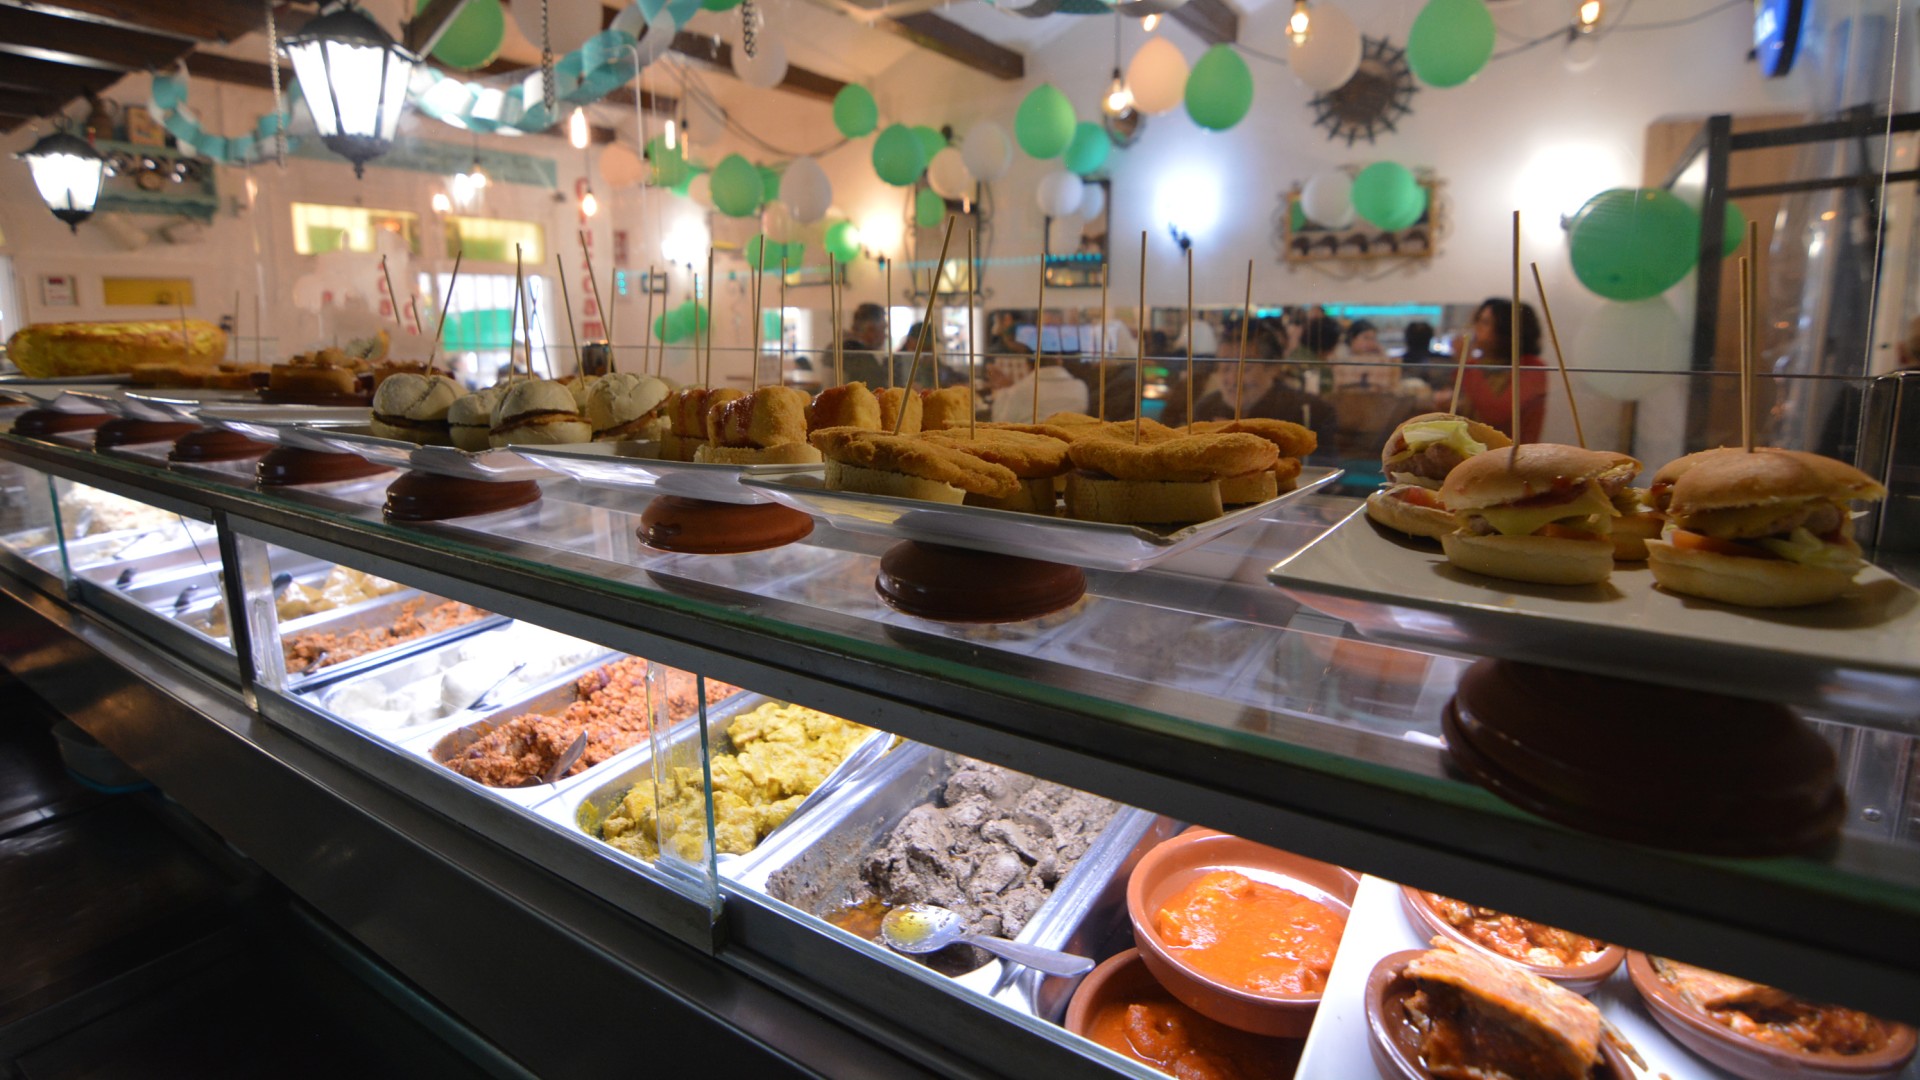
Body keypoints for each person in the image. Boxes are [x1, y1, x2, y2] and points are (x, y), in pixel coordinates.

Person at [1454, 297, 1549, 443]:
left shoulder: (1532, 366)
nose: (1476, 327)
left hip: (1513, 452)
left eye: (1485, 322)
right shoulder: (1479, 364)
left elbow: (1495, 413)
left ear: (1507, 331)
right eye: (1478, 320)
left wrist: (1465, 362)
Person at [991, 353, 1090, 423]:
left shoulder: (1017, 391)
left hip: (1030, 444)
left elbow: (1000, 424)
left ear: (1028, 364)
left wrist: (1004, 393)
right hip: (1069, 444)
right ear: (1059, 361)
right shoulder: (1080, 386)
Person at [836, 302, 888, 387]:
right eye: (883, 329)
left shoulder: (841, 348)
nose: (886, 335)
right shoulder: (860, 357)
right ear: (870, 329)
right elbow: (875, 391)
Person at [891, 320, 939, 390]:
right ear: (910, 341)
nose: (925, 351)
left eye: (929, 348)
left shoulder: (937, 365)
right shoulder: (893, 363)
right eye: (922, 346)